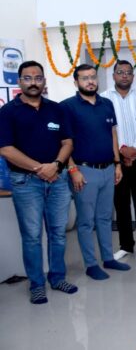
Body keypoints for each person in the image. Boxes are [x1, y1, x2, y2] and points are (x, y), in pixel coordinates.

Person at [0, 61, 78, 304]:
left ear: (44, 81)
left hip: (58, 180)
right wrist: (40, 169)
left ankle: (57, 278)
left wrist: (55, 165)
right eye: (27, 78)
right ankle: (36, 285)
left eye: (37, 78)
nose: (33, 82)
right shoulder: (8, 112)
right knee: (32, 236)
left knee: (58, 233)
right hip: (26, 183)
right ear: (19, 81)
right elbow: (6, 149)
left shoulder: (57, 109)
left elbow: (68, 142)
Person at [61, 64, 130, 280]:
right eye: (84, 78)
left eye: (93, 77)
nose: (90, 81)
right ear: (76, 82)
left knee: (105, 218)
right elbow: (63, 142)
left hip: (108, 169)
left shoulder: (106, 104)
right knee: (86, 221)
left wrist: (117, 164)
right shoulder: (67, 107)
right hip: (83, 171)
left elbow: (113, 134)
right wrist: (72, 169)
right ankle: (91, 264)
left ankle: (108, 258)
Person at [101, 60, 136, 260]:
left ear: (133, 76)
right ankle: (125, 245)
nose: (124, 75)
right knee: (121, 201)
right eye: (120, 72)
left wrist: (133, 149)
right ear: (113, 76)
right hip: (116, 157)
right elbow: (107, 128)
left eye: (128, 72)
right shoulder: (104, 98)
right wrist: (122, 151)